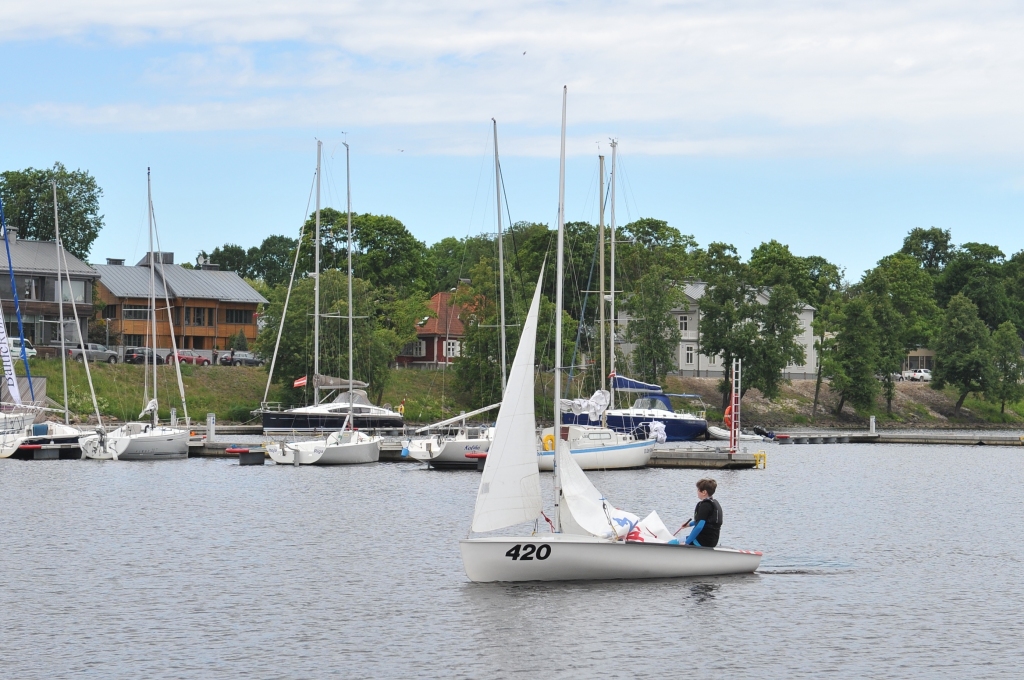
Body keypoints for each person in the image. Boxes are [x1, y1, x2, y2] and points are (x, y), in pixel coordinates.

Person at [677, 478, 723, 547]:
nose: (697, 491)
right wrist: (689, 524)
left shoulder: (705, 506)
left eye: (698, 490)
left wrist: (686, 543)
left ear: (704, 492)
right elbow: (705, 522)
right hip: (712, 541)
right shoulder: (714, 503)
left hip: (702, 541)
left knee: (673, 542)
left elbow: (699, 526)